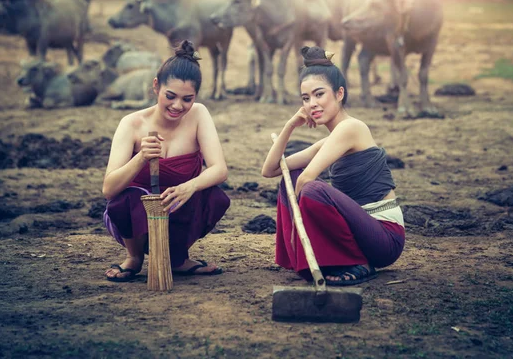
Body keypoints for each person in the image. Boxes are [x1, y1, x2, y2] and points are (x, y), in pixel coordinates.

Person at [261, 46, 405, 286]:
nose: (312, 104)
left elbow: (308, 180)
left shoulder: (352, 128)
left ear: (339, 94)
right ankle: (332, 258)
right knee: (293, 177)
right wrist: (290, 125)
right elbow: (272, 170)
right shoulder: (329, 141)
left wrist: (300, 223)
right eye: (306, 99)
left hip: (384, 237)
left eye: (319, 94)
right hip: (359, 233)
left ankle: (358, 263)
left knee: (311, 188)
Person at [102, 40, 230, 282]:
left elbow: (220, 169)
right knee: (126, 199)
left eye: (187, 99)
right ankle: (134, 257)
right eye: (170, 96)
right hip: (136, 219)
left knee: (212, 194)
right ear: (155, 87)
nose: (177, 106)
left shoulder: (199, 114)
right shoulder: (132, 124)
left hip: (178, 208)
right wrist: (141, 158)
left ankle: (178, 259)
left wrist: (189, 186)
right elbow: (109, 189)